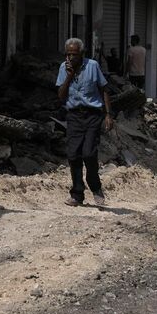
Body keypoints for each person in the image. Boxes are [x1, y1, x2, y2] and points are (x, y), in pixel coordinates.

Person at [56, 37, 114, 207]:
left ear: (82, 54)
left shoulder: (93, 66)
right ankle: (77, 194)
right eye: (68, 54)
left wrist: (108, 115)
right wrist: (69, 75)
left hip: (92, 115)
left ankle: (96, 188)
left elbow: (104, 90)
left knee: (89, 154)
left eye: (74, 54)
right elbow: (60, 95)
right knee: (74, 155)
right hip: (74, 116)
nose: (71, 58)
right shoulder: (63, 68)